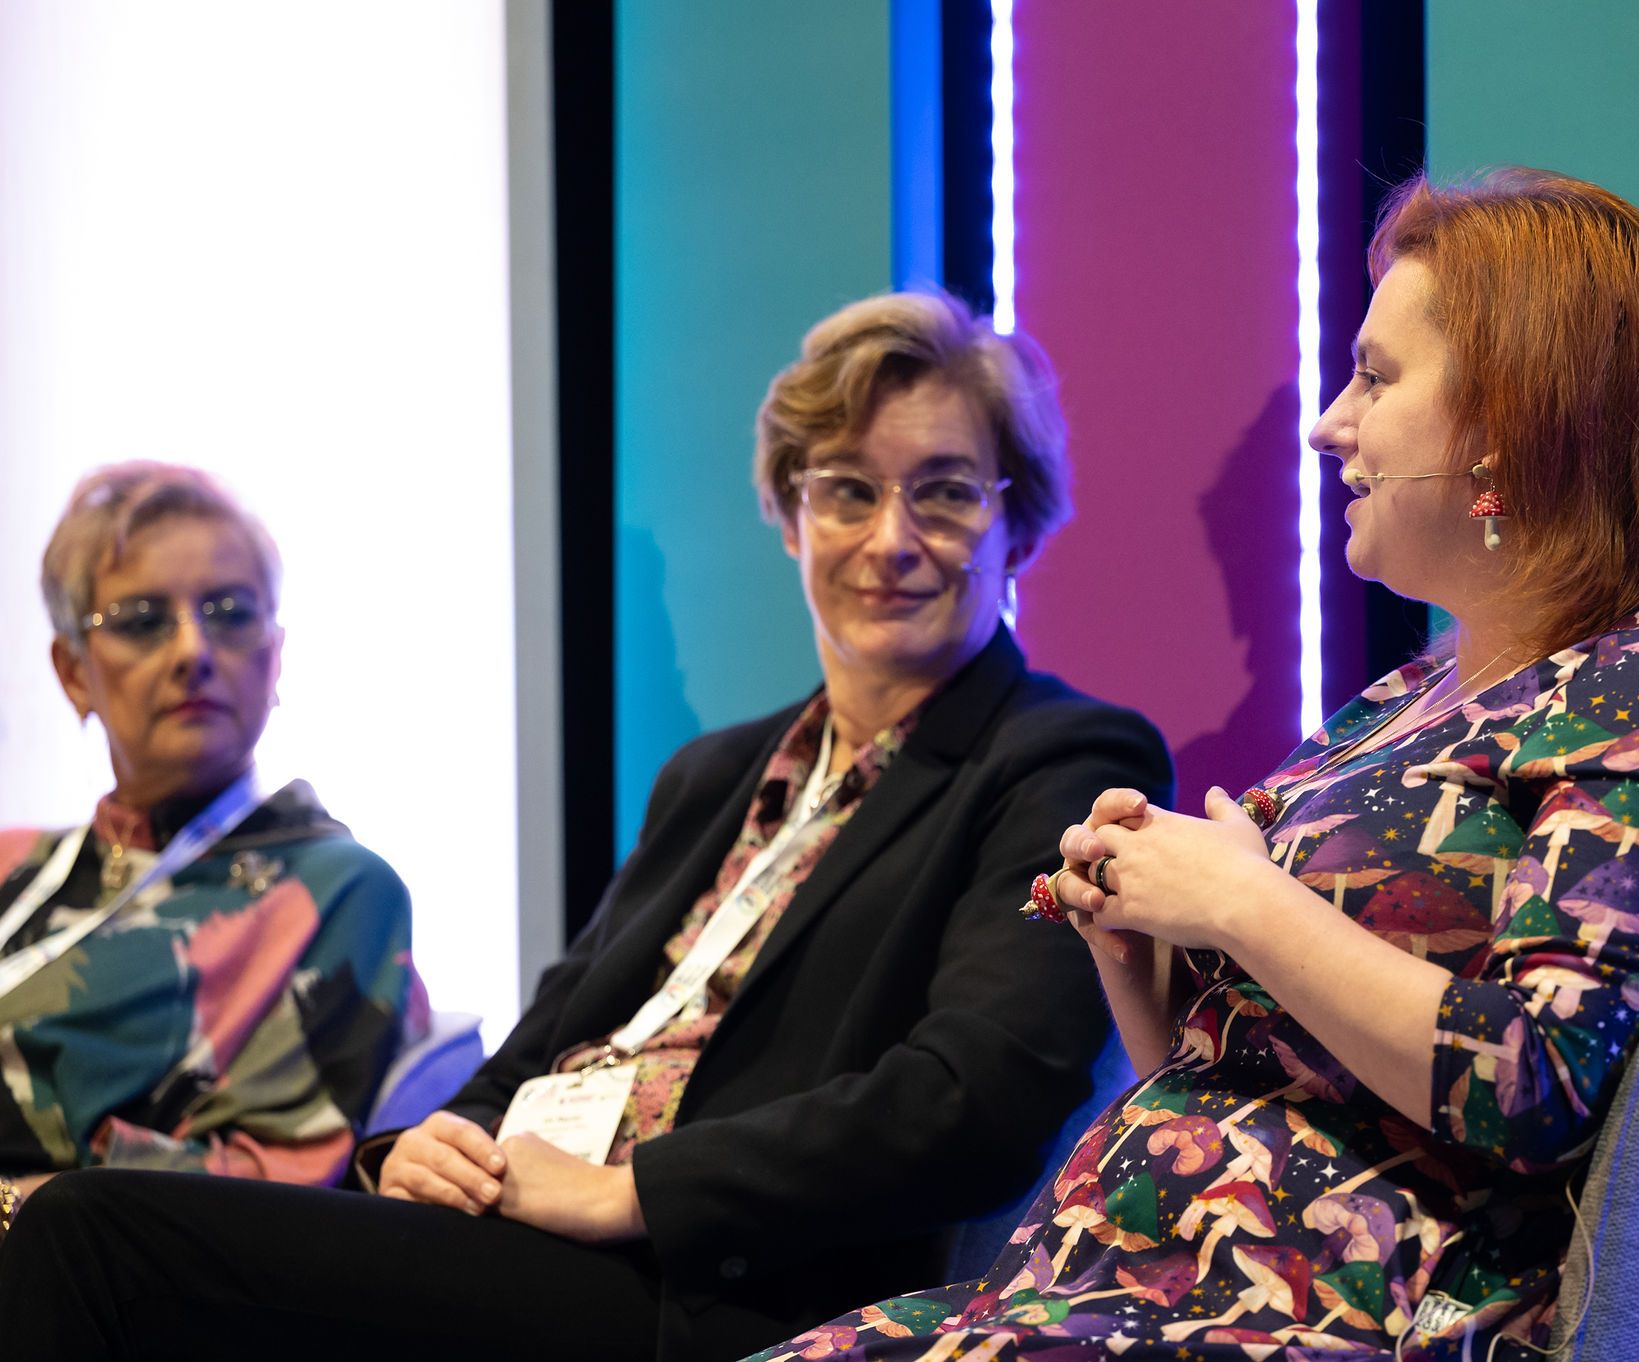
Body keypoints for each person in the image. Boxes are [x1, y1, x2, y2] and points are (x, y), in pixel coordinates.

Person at [742, 170, 1639, 1361]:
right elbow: (1232, 1069)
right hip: (1131, 1295)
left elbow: (1538, 1083)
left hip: (1346, 1321)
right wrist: (1143, 947)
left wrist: (1243, 900)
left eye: (1376, 378)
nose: (1331, 420)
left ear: (1507, 420)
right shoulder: (1409, 695)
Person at [0, 291, 1174, 1361]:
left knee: (89, 1234)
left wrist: (638, 1192)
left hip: (706, 1286)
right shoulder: (713, 775)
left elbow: (975, 1101)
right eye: (846, 490)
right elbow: (530, 1056)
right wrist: (416, 1147)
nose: (890, 538)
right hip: (523, 1228)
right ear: (787, 518)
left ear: (1017, 529)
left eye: (946, 491)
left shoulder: (1059, 755)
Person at [0, 464, 420, 1219]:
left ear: (276, 656)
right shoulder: (14, 864)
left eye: (230, 611)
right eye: (140, 619)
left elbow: (266, 1183)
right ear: (73, 674)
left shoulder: (336, 890)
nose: (193, 648)